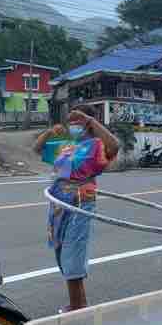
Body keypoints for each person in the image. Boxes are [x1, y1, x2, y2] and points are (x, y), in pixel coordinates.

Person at [35, 107, 119, 312]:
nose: (73, 125)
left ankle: (78, 307)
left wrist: (90, 120)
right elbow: (37, 149)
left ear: (87, 123)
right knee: (61, 250)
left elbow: (114, 146)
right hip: (58, 203)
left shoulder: (96, 145)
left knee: (73, 252)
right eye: (71, 121)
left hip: (81, 201)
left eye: (77, 121)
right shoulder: (67, 145)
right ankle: (78, 304)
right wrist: (48, 132)